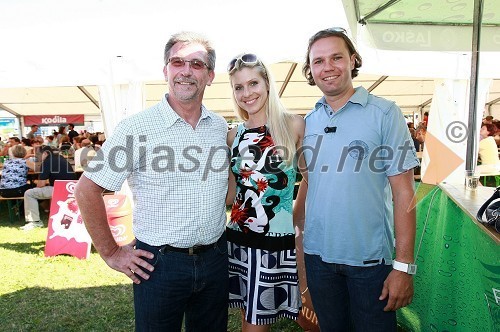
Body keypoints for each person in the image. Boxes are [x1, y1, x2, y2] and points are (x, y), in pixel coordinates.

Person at [74, 31, 229, 332]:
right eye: (177, 62)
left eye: (196, 64)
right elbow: (87, 189)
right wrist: (111, 252)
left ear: (210, 76)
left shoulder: (219, 126)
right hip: (159, 265)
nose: (186, 71)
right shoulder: (136, 127)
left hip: (215, 258)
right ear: (165, 70)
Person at [294, 28, 420, 331]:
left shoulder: (385, 113)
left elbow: (404, 192)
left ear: (352, 60)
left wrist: (403, 267)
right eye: (318, 61)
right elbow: (309, 184)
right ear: (310, 70)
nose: (328, 67)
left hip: (369, 263)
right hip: (318, 259)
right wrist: (298, 247)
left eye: (336, 57)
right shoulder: (308, 122)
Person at [225, 53, 305, 330]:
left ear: (267, 84)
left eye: (253, 83)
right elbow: (232, 192)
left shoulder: (293, 125)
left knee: (255, 324)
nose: (247, 93)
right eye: (239, 87)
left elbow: (309, 178)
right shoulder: (233, 135)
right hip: (236, 238)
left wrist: (295, 219)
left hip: (273, 242)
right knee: (248, 317)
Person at [21, 145, 76, 230]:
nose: (37, 157)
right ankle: (46, 209)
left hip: (59, 189)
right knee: (40, 191)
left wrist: (36, 182)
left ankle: (34, 221)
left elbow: (41, 184)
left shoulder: (46, 162)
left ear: (45, 153)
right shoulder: (60, 158)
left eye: (38, 155)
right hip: (72, 188)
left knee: (29, 193)